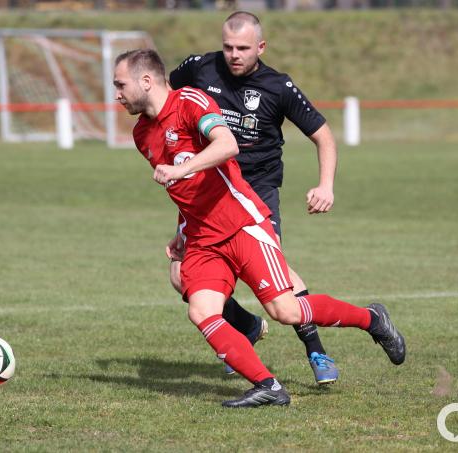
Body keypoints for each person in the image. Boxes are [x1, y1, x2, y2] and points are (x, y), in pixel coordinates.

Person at [113, 48, 406, 408]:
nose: (117, 94)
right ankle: (268, 386)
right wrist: (184, 232)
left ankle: (372, 319)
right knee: (201, 310)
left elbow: (227, 144)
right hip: (204, 238)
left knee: (285, 311)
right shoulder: (142, 133)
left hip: (242, 224)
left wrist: (181, 169)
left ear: (146, 80)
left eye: (120, 84)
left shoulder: (190, 101)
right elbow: (186, 193)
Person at [167, 11, 341, 384]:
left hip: (255, 193)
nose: (234, 54)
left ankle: (315, 349)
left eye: (243, 48)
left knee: (275, 275)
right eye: (228, 46)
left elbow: (323, 135)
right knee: (181, 275)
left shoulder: (277, 86)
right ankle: (245, 326)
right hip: (208, 193)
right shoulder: (200, 68)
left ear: (260, 47)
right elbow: (168, 101)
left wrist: (325, 185)